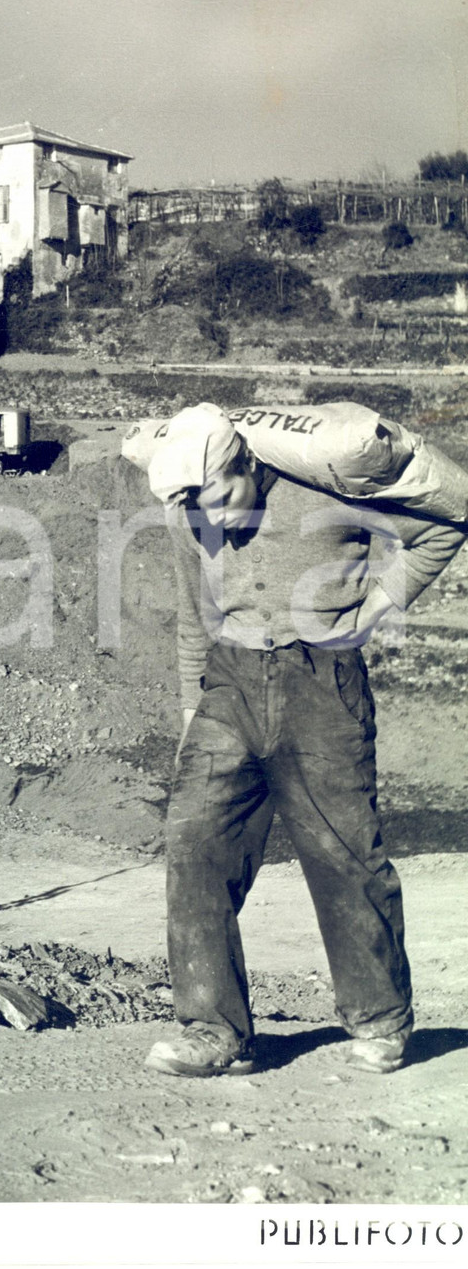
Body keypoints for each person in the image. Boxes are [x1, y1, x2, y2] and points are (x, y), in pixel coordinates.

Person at [141, 403, 466, 1079]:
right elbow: (193, 616)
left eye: (226, 497)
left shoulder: (325, 488)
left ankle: (380, 1019)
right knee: (194, 839)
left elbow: (439, 530)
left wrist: (375, 609)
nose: (219, 520)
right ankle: (212, 1027)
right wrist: (190, 712)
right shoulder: (188, 511)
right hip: (228, 682)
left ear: (248, 463)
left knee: (342, 850)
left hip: (322, 682)